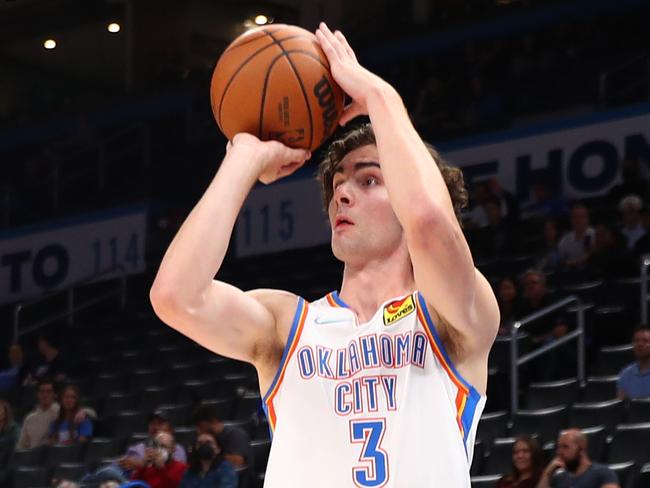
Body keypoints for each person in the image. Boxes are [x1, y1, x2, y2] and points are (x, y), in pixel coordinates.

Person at [150, 22, 499, 487]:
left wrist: (380, 97)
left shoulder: (452, 314)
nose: (343, 195)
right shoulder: (287, 325)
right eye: (337, 185)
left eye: (369, 179)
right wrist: (245, 157)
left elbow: (431, 223)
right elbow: (176, 296)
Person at [80, 410, 187, 484]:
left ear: (170, 428)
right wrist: (123, 462)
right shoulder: (138, 446)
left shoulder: (176, 448)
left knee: (109, 472)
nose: (156, 427)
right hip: (127, 477)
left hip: (144, 484)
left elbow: (174, 476)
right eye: (153, 424)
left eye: (160, 423)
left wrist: (142, 464)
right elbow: (121, 465)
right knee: (105, 472)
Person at [16, 377, 95, 449]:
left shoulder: (59, 410)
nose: (45, 395)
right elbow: (21, 445)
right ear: (37, 394)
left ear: (55, 395)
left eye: (49, 391)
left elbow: (92, 413)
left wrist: (84, 412)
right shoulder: (30, 418)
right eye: (42, 391)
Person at [537, 429, 619, 488]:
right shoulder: (559, 477)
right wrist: (547, 474)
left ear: (581, 449)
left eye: (565, 447)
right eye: (559, 447)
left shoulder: (602, 472)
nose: (559, 452)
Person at [617, 325, 650, 400]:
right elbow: (622, 408)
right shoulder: (625, 375)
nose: (640, 344)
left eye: (645, 341)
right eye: (636, 341)